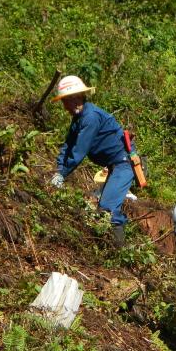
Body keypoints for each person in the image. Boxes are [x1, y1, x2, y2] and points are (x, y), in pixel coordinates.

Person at [49, 75, 135, 247]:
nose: (64, 106)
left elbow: (79, 151)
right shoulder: (78, 119)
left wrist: (63, 174)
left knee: (108, 206)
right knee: (102, 207)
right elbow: (68, 145)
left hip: (124, 164)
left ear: (75, 98)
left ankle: (122, 251)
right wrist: (59, 170)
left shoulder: (90, 118)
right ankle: (109, 246)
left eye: (65, 101)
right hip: (114, 166)